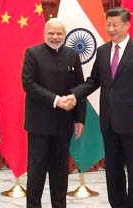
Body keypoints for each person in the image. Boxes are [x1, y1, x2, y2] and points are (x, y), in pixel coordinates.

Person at [68, 7, 133, 208]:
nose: (111, 28)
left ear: (126, 25)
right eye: (108, 24)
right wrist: (74, 95)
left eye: (115, 24)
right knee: (113, 170)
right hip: (108, 122)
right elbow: (93, 82)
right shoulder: (103, 51)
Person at [22, 18, 86, 208]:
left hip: (64, 123)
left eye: (59, 34)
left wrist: (79, 119)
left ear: (65, 35)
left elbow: (79, 87)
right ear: (45, 33)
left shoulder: (72, 55)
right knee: (36, 171)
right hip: (39, 124)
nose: (55, 37)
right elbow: (29, 84)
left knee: (60, 171)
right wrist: (56, 100)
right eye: (51, 33)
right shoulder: (33, 53)